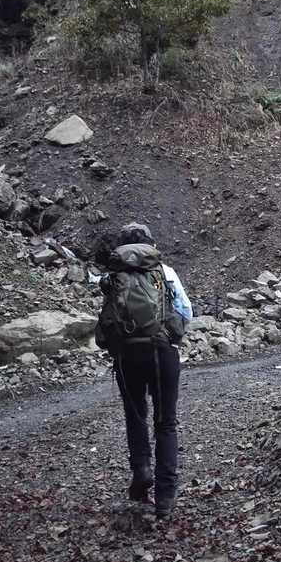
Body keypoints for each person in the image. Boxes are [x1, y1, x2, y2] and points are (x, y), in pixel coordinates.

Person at [94, 222, 192, 520]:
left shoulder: (113, 276)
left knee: (135, 415)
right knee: (166, 423)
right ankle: (165, 497)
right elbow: (186, 311)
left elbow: (108, 317)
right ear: (150, 244)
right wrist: (171, 334)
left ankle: (142, 470)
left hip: (126, 354)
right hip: (162, 351)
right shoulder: (164, 272)